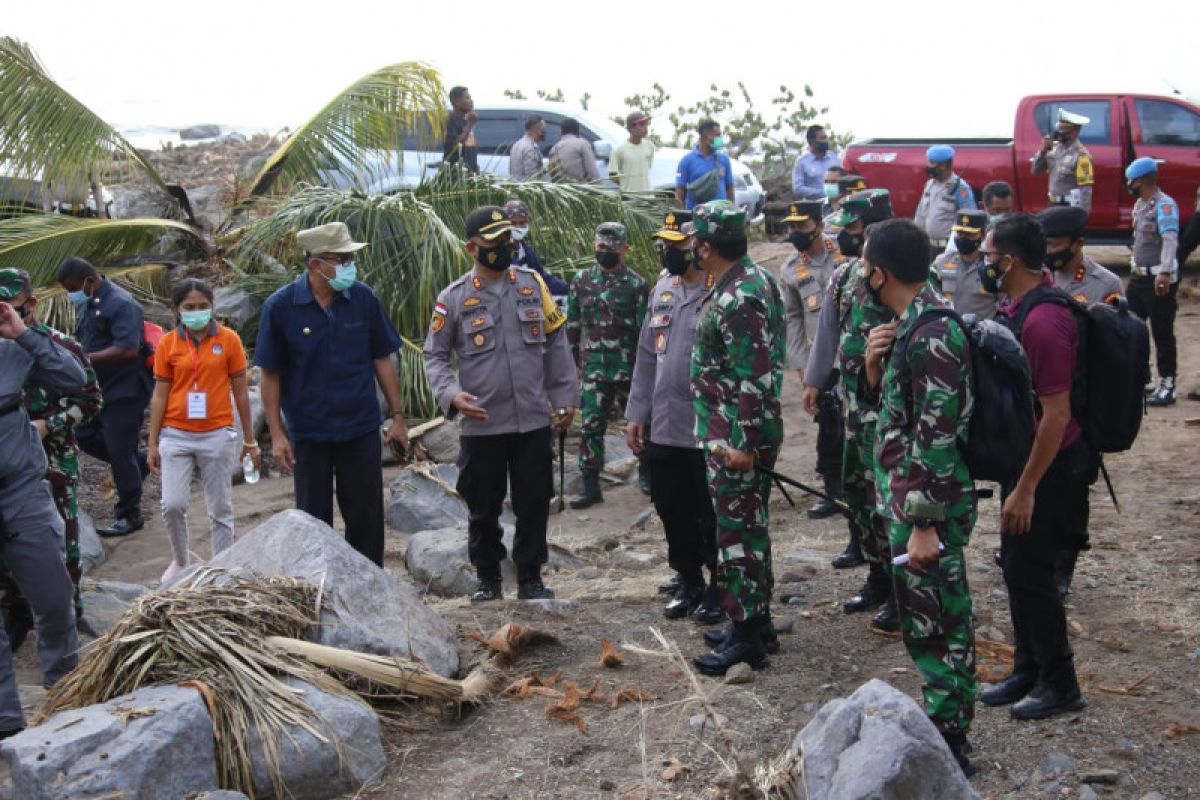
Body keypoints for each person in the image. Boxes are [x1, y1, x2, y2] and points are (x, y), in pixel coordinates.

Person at [861, 218, 977, 776]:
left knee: (940, 617)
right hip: (909, 503)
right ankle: (945, 720)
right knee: (922, 616)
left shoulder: (933, 333)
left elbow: (936, 434)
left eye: (865, 265)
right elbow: (900, 413)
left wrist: (925, 522)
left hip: (930, 507)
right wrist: (874, 366)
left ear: (880, 272)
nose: (863, 274)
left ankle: (951, 737)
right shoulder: (907, 325)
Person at [424, 206, 577, 602]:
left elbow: (556, 342)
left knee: (533, 502)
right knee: (482, 504)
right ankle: (488, 577)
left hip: (531, 419)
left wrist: (563, 397)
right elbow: (435, 356)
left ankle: (530, 577)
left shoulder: (531, 285)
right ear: (472, 248)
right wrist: (450, 395)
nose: (505, 247)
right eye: (495, 243)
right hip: (483, 422)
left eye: (508, 239)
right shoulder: (454, 298)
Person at [980, 212, 1091, 721]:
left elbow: (1057, 414)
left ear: (1011, 260)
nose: (983, 263)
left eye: (988, 256)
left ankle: (1060, 683)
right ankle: (1028, 667)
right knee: (1018, 570)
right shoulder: (1020, 306)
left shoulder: (1045, 321)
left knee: (1035, 575)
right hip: (1027, 464)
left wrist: (1024, 489)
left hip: (1050, 469)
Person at [255, 222, 409, 567]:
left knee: (366, 518)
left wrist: (397, 418)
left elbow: (382, 360)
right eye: (342, 259)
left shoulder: (363, 299)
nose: (349, 265)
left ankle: (369, 587)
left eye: (351, 258)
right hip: (309, 432)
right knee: (312, 520)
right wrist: (277, 434)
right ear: (316, 265)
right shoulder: (280, 308)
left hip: (360, 427)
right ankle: (318, 589)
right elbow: (270, 373)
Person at [688, 201, 786, 676]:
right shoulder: (751, 280)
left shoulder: (739, 295)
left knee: (738, 535)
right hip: (733, 431)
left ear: (705, 247)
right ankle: (756, 620)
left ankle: (748, 637)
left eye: (694, 240)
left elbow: (755, 376)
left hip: (735, 436)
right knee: (749, 529)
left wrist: (744, 443)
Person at [803, 189, 901, 631]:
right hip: (853, 410)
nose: (839, 235)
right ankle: (879, 576)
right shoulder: (844, 276)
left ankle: (904, 589)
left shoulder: (907, 274)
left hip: (893, 415)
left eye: (849, 228)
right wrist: (814, 380)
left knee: (892, 503)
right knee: (860, 499)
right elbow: (828, 331)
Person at [626, 210, 722, 623]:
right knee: (671, 506)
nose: (668, 252)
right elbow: (648, 355)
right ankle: (688, 579)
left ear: (699, 247)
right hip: (664, 423)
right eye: (664, 244)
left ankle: (720, 583)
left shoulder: (722, 291)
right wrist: (636, 413)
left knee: (710, 509)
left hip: (707, 427)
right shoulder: (662, 290)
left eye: (676, 245)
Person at [0, 297, 87, 738]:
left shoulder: (13, 345)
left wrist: (23, 335)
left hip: (19, 489)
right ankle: (6, 723)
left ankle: (64, 693)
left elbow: (74, 379)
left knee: (54, 597)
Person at [0, 269, 100, 645]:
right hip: (10, 468)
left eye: (11, 308)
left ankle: (70, 616)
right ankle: (17, 613)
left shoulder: (57, 345)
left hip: (54, 460)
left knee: (65, 546)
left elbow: (89, 398)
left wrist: (49, 425)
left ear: (30, 305)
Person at [147, 279, 260, 584]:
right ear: (176, 309)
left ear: (213, 306)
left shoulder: (229, 340)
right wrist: (152, 442)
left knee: (220, 506)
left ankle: (222, 564)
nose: (197, 312)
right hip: (176, 433)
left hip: (216, 433)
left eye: (203, 306)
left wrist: (250, 439)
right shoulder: (168, 344)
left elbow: (240, 393)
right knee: (172, 504)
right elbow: (160, 393)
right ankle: (180, 560)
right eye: (189, 307)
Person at [57, 256, 151, 537]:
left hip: (125, 390)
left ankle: (130, 514)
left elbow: (128, 349)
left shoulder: (122, 304)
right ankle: (141, 461)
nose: (71, 295)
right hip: (99, 389)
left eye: (72, 288)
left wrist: (83, 359)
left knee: (120, 452)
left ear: (88, 280)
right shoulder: (89, 304)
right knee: (84, 435)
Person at [566, 223, 649, 507]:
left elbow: (644, 332)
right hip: (594, 367)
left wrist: (646, 371)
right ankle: (590, 486)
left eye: (611, 248)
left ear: (624, 249)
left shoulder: (637, 285)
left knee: (641, 423)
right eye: (601, 247)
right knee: (591, 425)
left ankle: (648, 474)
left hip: (629, 367)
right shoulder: (581, 281)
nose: (605, 253)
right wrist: (572, 363)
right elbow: (573, 325)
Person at [778, 200, 850, 520]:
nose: (795, 233)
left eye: (802, 227)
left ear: (819, 226)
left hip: (853, 353)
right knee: (828, 425)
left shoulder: (844, 257)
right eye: (791, 227)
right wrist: (801, 364)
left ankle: (858, 487)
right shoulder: (791, 269)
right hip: (822, 360)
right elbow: (792, 319)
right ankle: (834, 491)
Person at [1123, 157, 1181, 407]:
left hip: (1158, 280)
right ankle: (1144, 378)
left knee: (1162, 332)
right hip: (1138, 277)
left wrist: (1165, 273)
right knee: (1132, 328)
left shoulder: (1164, 205)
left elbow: (1169, 239)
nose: (1129, 184)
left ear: (1144, 180)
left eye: (1132, 181)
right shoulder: (1140, 205)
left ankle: (1167, 384)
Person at [1039, 206, 1123, 305]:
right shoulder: (1035, 277)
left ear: (1078, 243)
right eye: (1044, 244)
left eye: (1054, 245)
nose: (1047, 251)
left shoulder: (1106, 285)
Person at [933, 211, 997, 320]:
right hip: (950, 331)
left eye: (969, 234)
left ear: (982, 235)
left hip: (981, 333)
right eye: (959, 233)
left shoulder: (993, 267)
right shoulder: (941, 263)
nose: (963, 238)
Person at [914, 145, 977, 252]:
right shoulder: (930, 184)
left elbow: (970, 219)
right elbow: (920, 214)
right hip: (928, 246)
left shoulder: (960, 188)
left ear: (943, 165)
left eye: (932, 163)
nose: (928, 166)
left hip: (948, 248)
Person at [1031, 109, 1094, 213]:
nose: (1059, 132)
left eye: (1063, 129)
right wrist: (1043, 151)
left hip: (1069, 207)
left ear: (1074, 132)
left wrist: (1082, 214)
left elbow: (1085, 189)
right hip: (1053, 204)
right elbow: (1035, 171)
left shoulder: (1081, 156)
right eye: (1058, 128)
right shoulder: (1054, 148)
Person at [505, 200, 570, 297]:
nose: (518, 227)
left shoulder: (526, 248)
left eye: (522, 223)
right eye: (513, 223)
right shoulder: (500, 251)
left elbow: (541, 277)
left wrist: (571, 288)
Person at [674, 120, 735, 210]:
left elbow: (730, 188)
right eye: (717, 135)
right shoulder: (686, 161)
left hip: (721, 214)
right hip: (697, 216)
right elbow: (680, 192)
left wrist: (732, 210)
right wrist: (682, 215)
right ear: (706, 137)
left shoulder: (724, 159)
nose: (720, 139)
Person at [791, 125, 842, 201]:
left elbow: (844, 179)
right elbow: (798, 188)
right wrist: (824, 193)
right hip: (814, 207)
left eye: (826, 137)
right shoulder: (802, 162)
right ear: (811, 141)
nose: (826, 141)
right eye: (822, 138)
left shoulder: (834, 158)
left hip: (837, 204)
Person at [610, 111, 656, 192]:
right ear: (631, 128)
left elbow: (647, 168)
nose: (645, 128)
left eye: (646, 124)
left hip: (648, 198)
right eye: (642, 124)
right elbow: (612, 175)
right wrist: (626, 185)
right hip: (630, 200)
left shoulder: (650, 146)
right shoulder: (619, 149)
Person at [548, 118, 601, 183]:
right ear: (577, 130)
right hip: (579, 189)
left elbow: (552, 175)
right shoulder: (582, 144)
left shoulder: (554, 149)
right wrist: (599, 188)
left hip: (561, 190)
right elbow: (592, 172)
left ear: (561, 131)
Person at [443, 86, 479, 173]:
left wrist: (475, 169)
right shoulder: (449, 120)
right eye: (467, 98)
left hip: (470, 173)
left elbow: (470, 147)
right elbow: (456, 146)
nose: (471, 101)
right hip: (455, 175)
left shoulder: (466, 121)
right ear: (457, 102)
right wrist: (470, 125)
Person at [508, 116, 546, 182]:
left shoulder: (517, 144)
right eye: (544, 129)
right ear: (539, 131)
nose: (545, 132)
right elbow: (532, 177)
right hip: (526, 189)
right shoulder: (530, 148)